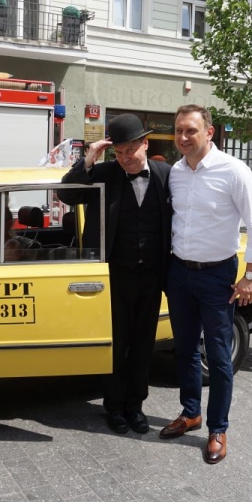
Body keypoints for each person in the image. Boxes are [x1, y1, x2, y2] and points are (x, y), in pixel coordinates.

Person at [159, 104, 252, 465]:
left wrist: (250, 276)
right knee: (185, 349)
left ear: (209, 132)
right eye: (179, 131)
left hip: (217, 275)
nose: (183, 137)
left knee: (219, 357)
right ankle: (191, 413)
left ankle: (218, 428)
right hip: (179, 272)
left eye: (191, 130)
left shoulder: (234, 170)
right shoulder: (175, 172)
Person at [57, 114, 172, 435]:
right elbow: (66, 194)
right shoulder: (105, 173)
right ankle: (114, 406)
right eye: (118, 152)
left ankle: (136, 406)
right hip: (114, 276)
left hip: (151, 276)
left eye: (130, 151)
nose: (124, 158)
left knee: (143, 345)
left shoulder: (166, 175)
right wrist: (89, 158)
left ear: (145, 144)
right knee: (117, 344)